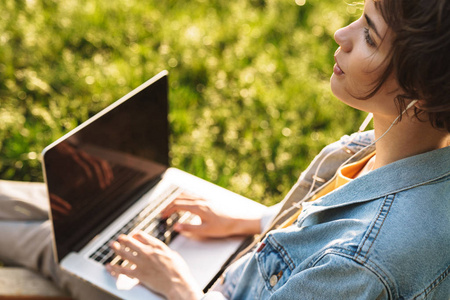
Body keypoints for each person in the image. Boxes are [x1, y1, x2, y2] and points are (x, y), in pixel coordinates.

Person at [1, 0, 449, 299]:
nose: (340, 33)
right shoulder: (400, 149)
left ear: (423, 93)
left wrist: (177, 287)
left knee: (62, 241)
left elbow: (353, 247)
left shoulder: (360, 265)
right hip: (241, 264)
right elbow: (329, 216)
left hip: (205, 292)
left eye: (369, 36)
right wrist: (253, 219)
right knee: (79, 205)